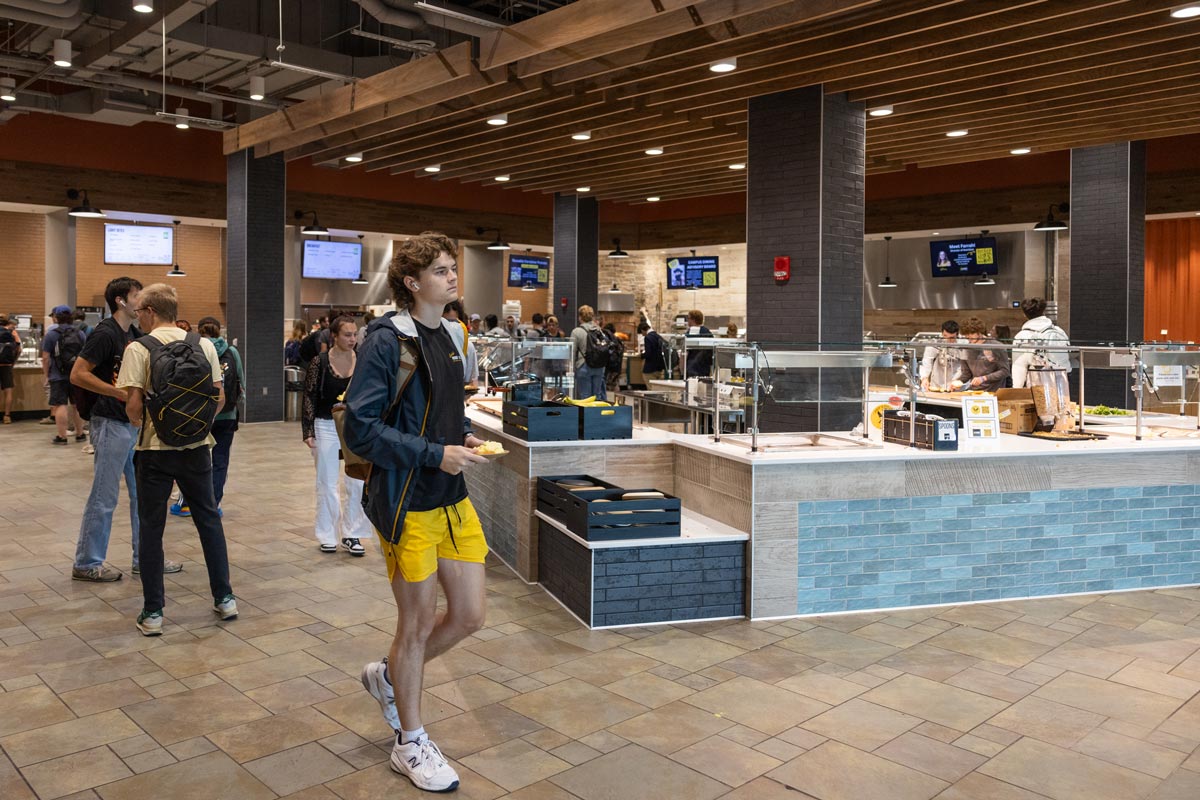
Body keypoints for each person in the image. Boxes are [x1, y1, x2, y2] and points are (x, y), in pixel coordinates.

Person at [343, 232, 487, 794]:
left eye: (454, 268)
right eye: (442, 270)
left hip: (451, 500)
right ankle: (410, 741)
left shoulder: (453, 333)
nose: (453, 277)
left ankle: (386, 674)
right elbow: (360, 426)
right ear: (412, 283)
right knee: (419, 624)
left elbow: (444, 413)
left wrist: (464, 437)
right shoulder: (387, 340)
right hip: (407, 501)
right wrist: (435, 452)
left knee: (471, 614)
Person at [117, 283, 236, 636]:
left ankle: (153, 613)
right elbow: (219, 398)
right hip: (199, 447)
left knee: (152, 529)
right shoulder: (202, 344)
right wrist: (193, 426)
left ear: (151, 311)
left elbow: (134, 408)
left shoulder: (139, 348)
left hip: (154, 452)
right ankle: (225, 598)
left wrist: (146, 420)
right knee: (209, 521)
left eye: (139, 311)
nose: (138, 316)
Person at [70, 278, 185, 582]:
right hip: (110, 423)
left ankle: (144, 558)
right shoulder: (105, 333)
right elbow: (78, 374)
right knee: (105, 496)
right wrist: (118, 392)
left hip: (134, 426)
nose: (143, 300)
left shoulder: (134, 334)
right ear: (121, 301)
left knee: (144, 497)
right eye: (137, 295)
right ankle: (87, 562)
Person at [303, 315, 371, 556]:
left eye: (354, 334)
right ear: (334, 336)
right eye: (347, 335)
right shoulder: (319, 362)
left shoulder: (363, 360)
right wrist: (308, 430)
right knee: (327, 481)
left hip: (355, 427)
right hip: (325, 424)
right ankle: (327, 534)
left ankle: (352, 534)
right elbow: (309, 396)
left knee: (358, 480)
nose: (352, 339)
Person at [199, 316, 244, 512]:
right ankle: (214, 503)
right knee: (220, 460)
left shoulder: (195, 349)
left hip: (200, 415)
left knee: (198, 461)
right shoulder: (231, 351)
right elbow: (241, 382)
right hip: (227, 415)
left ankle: (196, 502)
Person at [42, 305, 86, 445]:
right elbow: (85, 355)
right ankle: (80, 434)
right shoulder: (80, 334)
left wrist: (46, 375)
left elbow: (46, 357)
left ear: (55, 317)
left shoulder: (51, 334)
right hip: (76, 375)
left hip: (57, 375)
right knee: (76, 405)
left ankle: (62, 436)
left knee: (60, 405)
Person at [1011, 298, 1071, 389]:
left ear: (1024, 314)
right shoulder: (1059, 331)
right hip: (1063, 379)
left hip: (1039, 382)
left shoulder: (1022, 336)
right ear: (1043, 312)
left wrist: (1016, 389)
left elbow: (1019, 366)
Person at [952, 317, 1010, 392]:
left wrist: (984, 378)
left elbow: (1005, 371)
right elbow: (966, 374)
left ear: (979, 332)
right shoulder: (966, 348)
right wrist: (958, 382)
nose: (968, 337)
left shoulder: (996, 346)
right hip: (974, 391)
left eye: (971, 333)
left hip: (994, 392)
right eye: (966, 334)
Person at [571, 304, 607, 401]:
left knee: (585, 397)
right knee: (597, 395)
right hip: (599, 366)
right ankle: (597, 415)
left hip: (583, 365)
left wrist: (571, 367)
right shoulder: (598, 329)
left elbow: (572, 352)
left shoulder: (576, 331)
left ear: (580, 317)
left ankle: (587, 416)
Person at [920, 320, 964, 393]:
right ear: (942, 333)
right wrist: (925, 378)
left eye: (952, 337)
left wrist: (957, 380)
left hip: (956, 383)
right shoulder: (935, 343)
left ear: (957, 335)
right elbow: (927, 361)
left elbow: (964, 367)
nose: (948, 340)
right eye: (945, 336)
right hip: (937, 383)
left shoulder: (963, 345)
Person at [443, 301, 478, 386]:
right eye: (447, 321)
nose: (452, 326)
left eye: (455, 322)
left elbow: (470, 379)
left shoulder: (468, 345)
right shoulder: (433, 342)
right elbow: (469, 378)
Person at [0, 315, 19, 423]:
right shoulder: (11, 333)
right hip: (7, 365)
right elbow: (18, 349)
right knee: (8, 391)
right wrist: (13, 362)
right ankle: (7, 416)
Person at [684, 309, 713, 378]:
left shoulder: (690, 333)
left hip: (692, 367)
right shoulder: (707, 332)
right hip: (705, 367)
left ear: (693, 319)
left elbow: (685, 351)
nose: (687, 320)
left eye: (688, 318)